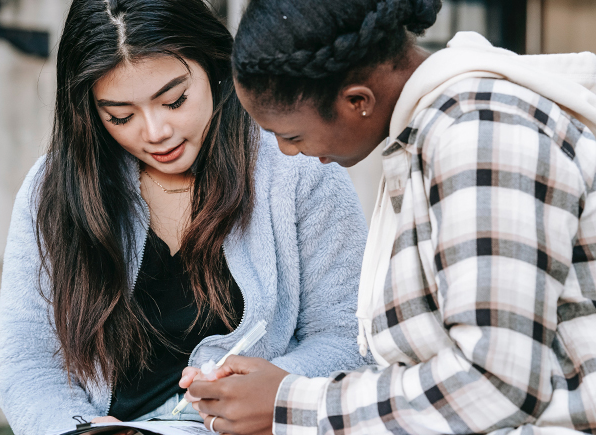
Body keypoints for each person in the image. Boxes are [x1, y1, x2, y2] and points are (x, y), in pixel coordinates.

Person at [182, 0, 596, 433]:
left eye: (291, 135)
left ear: (357, 100)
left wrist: (290, 403)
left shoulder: (480, 136)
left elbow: (494, 384)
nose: (287, 152)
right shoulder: (435, 131)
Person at [0, 1, 371, 434]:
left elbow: (348, 336)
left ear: (213, 66)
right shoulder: (54, 187)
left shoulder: (296, 163)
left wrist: (275, 391)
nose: (155, 132)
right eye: (121, 115)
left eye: (174, 101)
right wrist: (79, 428)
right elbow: (29, 361)